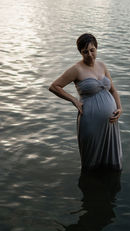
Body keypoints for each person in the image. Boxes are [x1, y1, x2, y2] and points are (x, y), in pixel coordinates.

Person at [49, 33, 122, 171]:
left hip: (110, 122)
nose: (89, 54)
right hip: (90, 121)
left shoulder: (102, 66)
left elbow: (113, 90)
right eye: (85, 51)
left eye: (92, 50)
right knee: (91, 161)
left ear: (97, 48)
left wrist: (120, 108)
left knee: (111, 163)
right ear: (80, 52)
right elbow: (54, 86)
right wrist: (74, 100)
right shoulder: (77, 69)